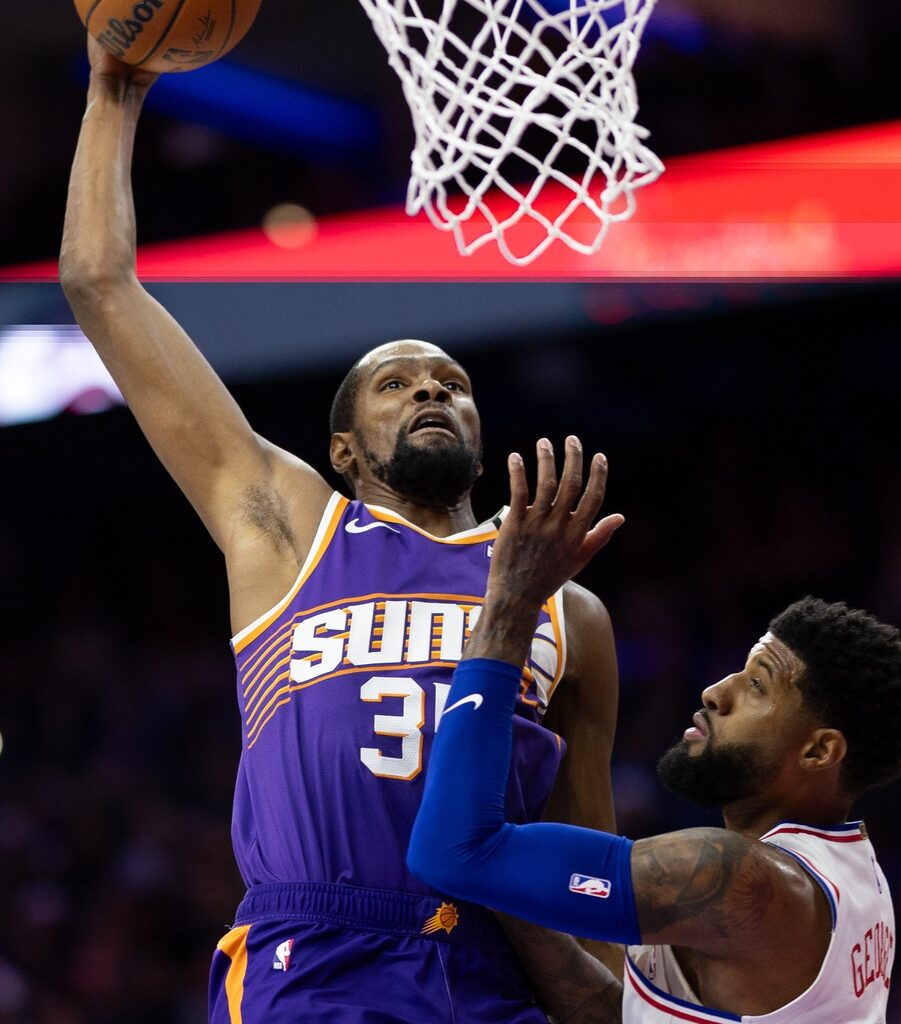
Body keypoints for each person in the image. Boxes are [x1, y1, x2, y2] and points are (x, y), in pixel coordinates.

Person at [58, 39, 621, 1024]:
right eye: (396, 386)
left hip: (489, 970)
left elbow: (587, 878)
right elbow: (99, 286)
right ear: (348, 453)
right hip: (316, 958)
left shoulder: (572, 610)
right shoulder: (287, 526)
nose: (431, 390)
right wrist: (115, 89)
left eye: (451, 383)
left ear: (481, 436)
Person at [409, 436, 901, 1023]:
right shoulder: (856, 881)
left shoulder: (739, 878)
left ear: (819, 750)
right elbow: (621, 1016)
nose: (717, 691)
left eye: (757, 686)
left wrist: (512, 601)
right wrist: (507, 886)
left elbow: (450, 852)